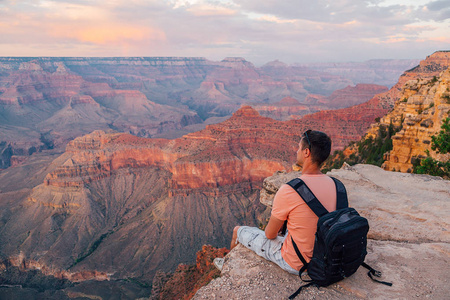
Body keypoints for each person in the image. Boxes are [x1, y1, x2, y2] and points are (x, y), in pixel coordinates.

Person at [214, 130, 337, 274]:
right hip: (325, 258)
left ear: (306, 152)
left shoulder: (290, 190)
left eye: (299, 148)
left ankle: (227, 268)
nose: (296, 151)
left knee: (237, 230)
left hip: (297, 263)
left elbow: (270, 235)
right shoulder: (336, 185)